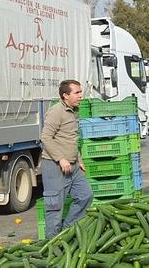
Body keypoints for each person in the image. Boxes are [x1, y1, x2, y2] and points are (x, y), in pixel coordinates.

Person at [41, 80, 93, 238]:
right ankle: (52, 245)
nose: (80, 95)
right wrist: (61, 159)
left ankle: (67, 229)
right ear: (65, 95)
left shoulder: (74, 111)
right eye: (76, 93)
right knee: (55, 207)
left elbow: (71, 138)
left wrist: (79, 159)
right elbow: (45, 137)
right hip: (55, 166)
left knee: (85, 195)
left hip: (73, 165)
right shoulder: (56, 111)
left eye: (80, 92)